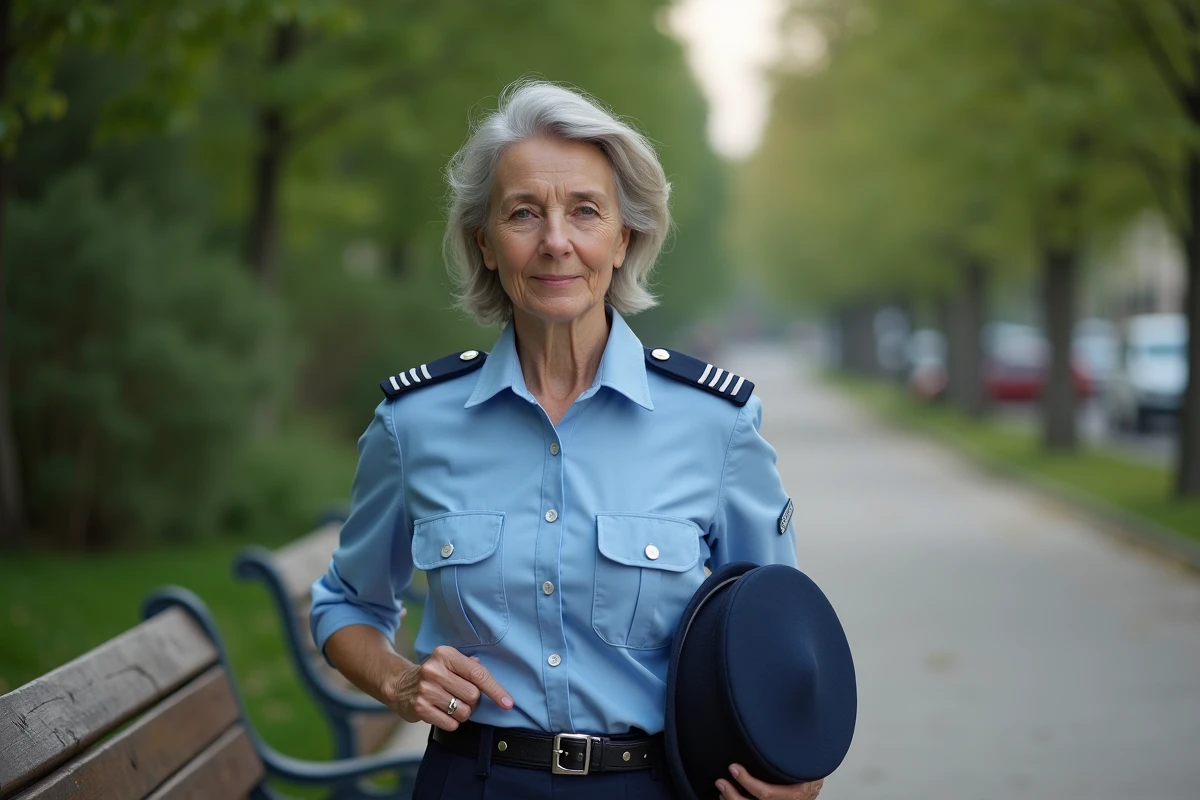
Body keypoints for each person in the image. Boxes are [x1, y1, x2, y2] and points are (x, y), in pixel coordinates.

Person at [310, 80, 821, 800]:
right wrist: (399, 680)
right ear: (485, 243)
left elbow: (778, 628)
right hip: (472, 783)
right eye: (524, 214)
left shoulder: (717, 424)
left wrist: (798, 768)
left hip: (654, 786)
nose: (556, 242)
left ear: (624, 238)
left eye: (585, 211)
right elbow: (345, 603)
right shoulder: (413, 422)